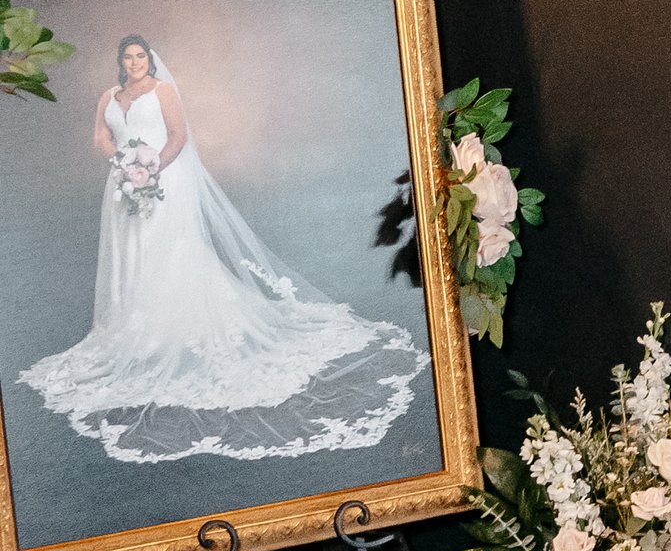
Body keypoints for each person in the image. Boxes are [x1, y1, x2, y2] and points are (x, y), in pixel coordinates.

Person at [21, 31, 427, 468]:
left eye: (141, 55)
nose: (135, 62)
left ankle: (172, 324)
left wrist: (151, 167)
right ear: (120, 61)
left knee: (167, 251)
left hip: (163, 181)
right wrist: (121, 162)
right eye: (128, 56)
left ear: (149, 60)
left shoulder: (163, 91)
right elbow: (100, 137)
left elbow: (177, 136)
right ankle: (137, 323)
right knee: (130, 254)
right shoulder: (109, 95)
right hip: (122, 184)